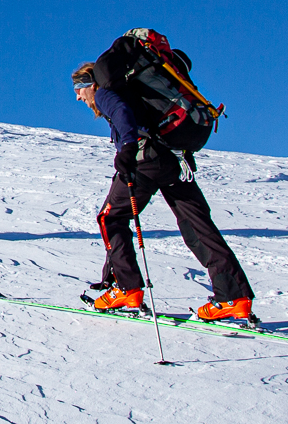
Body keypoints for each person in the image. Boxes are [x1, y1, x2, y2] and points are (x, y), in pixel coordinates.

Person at [75, 52, 255, 323]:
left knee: (111, 217)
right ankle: (232, 297)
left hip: (145, 160)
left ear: (91, 83)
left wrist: (126, 148)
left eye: (79, 89)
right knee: (197, 225)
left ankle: (126, 289)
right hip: (176, 160)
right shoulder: (134, 89)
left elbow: (122, 115)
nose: (79, 97)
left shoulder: (105, 93)